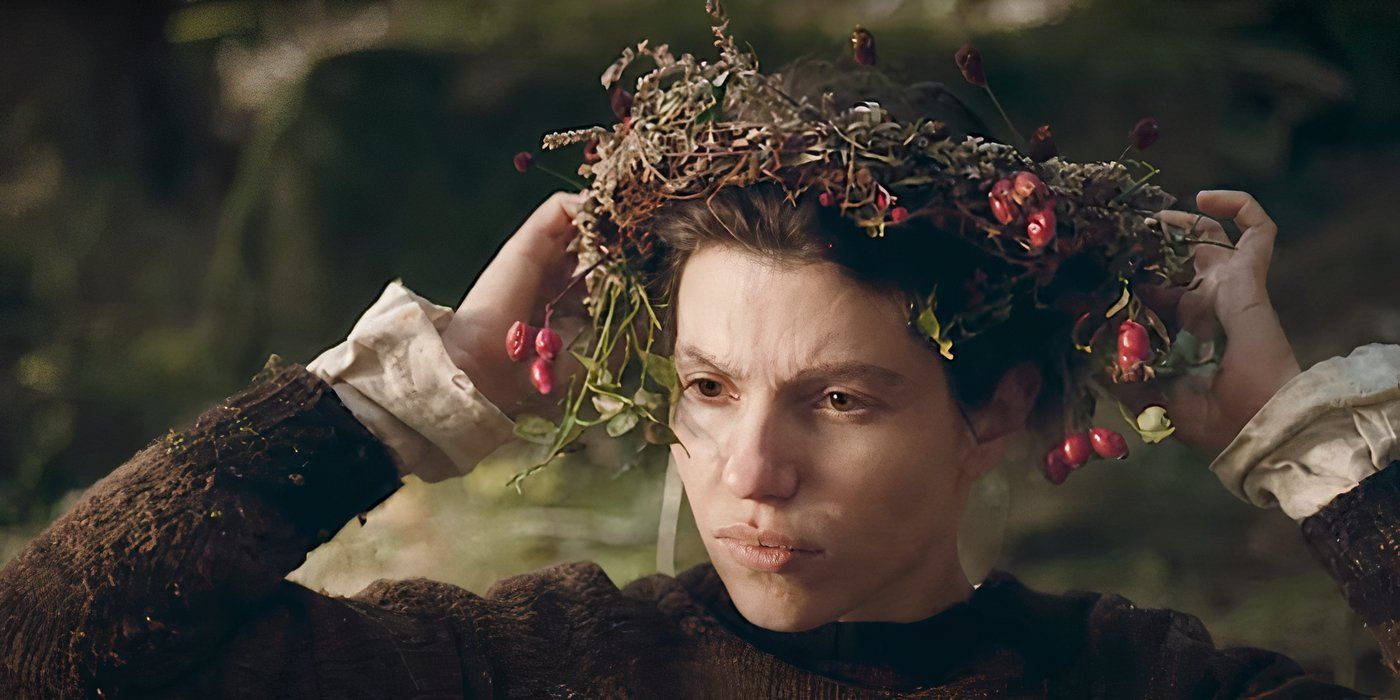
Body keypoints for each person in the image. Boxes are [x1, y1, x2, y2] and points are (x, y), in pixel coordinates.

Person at [3, 13, 1398, 699]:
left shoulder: (1133, 684)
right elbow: (49, 646)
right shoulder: (544, 666)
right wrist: (409, 395)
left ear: (999, 411)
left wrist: (1301, 438)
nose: (754, 472)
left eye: (841, 401)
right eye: (710, 389)